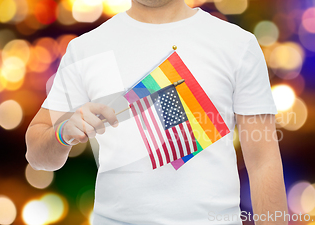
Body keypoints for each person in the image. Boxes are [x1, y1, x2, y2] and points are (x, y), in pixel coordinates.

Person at [25, 0, 288, 224]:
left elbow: (264, 163)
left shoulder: (237, 44)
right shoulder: (85, 49)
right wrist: (62, 133)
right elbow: (37, 154)